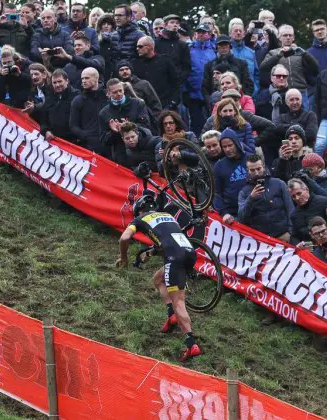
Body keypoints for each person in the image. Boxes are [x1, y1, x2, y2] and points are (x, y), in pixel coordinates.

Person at [116, 193, 202, 362]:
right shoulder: (167, 216)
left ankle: (191, 344)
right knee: (158, 279)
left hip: (175, 257)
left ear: (138, 211)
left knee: (179, 301)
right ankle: (172, 316)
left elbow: (124, 237)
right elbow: (166, 240)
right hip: (189, 252)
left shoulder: (139, 220)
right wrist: (152, 251)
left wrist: (124, 257)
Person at [237, 154, 294, 241]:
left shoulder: (279, 184)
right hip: (262, 241)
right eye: (252, 170)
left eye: (258, 169)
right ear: (247, 171)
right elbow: (241, 219)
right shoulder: (244, 192)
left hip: (283, 236)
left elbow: (290, 209)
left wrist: (290, 232)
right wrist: (251, 198)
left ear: (263, 167)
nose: (256, 173)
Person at [259, 24, 319, 100]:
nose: (288, 37)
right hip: (280, 92)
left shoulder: (300, 52)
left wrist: (305, 53)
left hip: (300, 91)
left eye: (290, 35)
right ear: (279, 37)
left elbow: (315, 67)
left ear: (293, 38)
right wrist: (278, 55)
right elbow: (263, 68)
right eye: (285, 35)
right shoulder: (273, 52)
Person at [98, 78, 152, 162]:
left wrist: (129, 126)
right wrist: (114, 132)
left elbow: (147, 126)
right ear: (108, 93)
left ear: (124, 89)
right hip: (121, 157)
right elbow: (103, 140)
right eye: (115, 92)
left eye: (120, 91)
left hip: (141, 152)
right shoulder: (104, 113)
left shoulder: (138, 104)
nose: (119, 94)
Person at [212, 128, 250, 223]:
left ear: (236, 143)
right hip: (232, 215)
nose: (227, 149)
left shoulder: (250, 159)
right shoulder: (219, 166)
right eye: (224, 147)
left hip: (254, 210)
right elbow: (216, 193)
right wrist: (223, 213)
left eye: (230, 145)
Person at [132, 36, 179, 109]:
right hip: (145, 107)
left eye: (140, 46)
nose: (137, 49)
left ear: (150, 47)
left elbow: (176, 83)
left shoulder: (165, 61)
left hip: (166, 105)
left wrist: (173, 102)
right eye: (137, 46)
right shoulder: (136, 64)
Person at [202, 35, 253, 102]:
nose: (223, 47)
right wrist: (210, 102)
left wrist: (243, 100)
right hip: (216, 102)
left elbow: (248, 85)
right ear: (216, 48)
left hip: (238, 100)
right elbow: (205, 88)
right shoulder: (209, 65)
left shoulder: (241, 64)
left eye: (226, 45)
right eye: (220, 45)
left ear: (230, 47)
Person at [70, 67, 108, 155]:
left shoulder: (108, 95)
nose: (83, 81)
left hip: (111, 144)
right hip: (89, 147)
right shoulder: (78, 100)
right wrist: (87, 136)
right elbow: (73, 126)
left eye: (87, 78)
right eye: (82, 78)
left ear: (96, 78)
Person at [35, 68, 77, 142]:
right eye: (54, 83)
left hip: (73, 142)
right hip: (54, 142)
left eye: (60, 81)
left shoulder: (76, 96)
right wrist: (46, 131)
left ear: (67, 81)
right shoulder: (49, 98)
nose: (57, 85)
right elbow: (43, 120)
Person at [288, 178, 327, 245]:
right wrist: (298, 244)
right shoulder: (294, 215)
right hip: (308, 251)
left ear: (307, 190)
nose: (297, 198)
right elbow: (294, 237)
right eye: (293, 196)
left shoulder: (325, 203)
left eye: (299, 193)